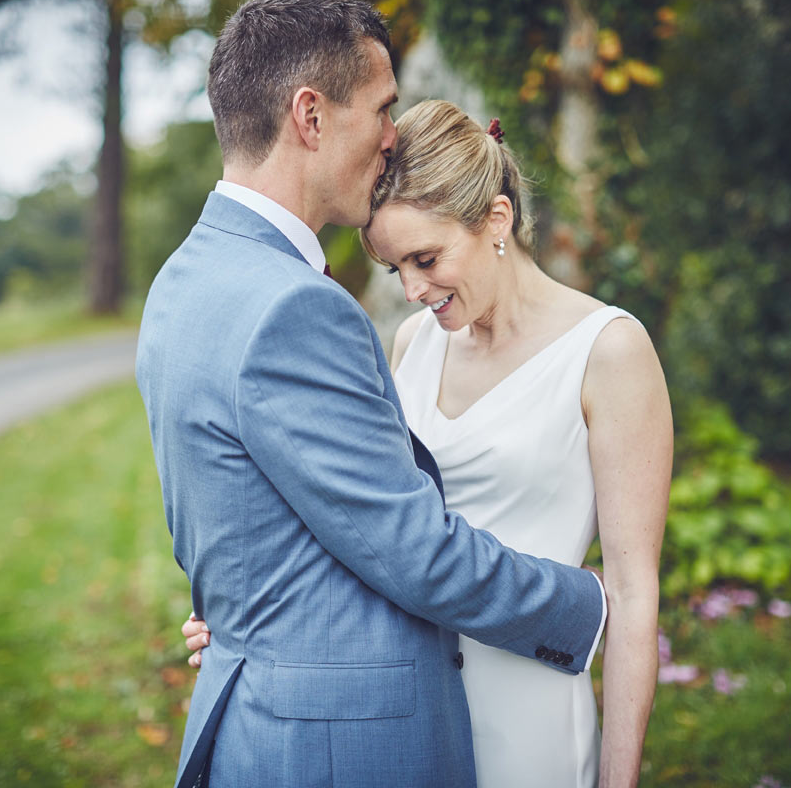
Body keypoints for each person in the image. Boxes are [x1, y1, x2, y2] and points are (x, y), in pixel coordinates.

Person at [136, 0, 607, 787]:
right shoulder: (295, 307)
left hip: (254, 714)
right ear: (311, 116)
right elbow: (415, 554)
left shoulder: (183, 282)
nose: (394, 138)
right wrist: (591, 606)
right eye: (384, 109)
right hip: (335, 748)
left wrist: (237, 610)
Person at [184, 100, 673, 786]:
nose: (413, 290)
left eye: (426, 258)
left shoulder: (609, 351)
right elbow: (365, 525)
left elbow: (631, 593)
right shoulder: (414, 345)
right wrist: (249, 619)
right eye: (394, 269)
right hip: (402, 715)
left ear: (497, 220)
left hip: (527, 709)